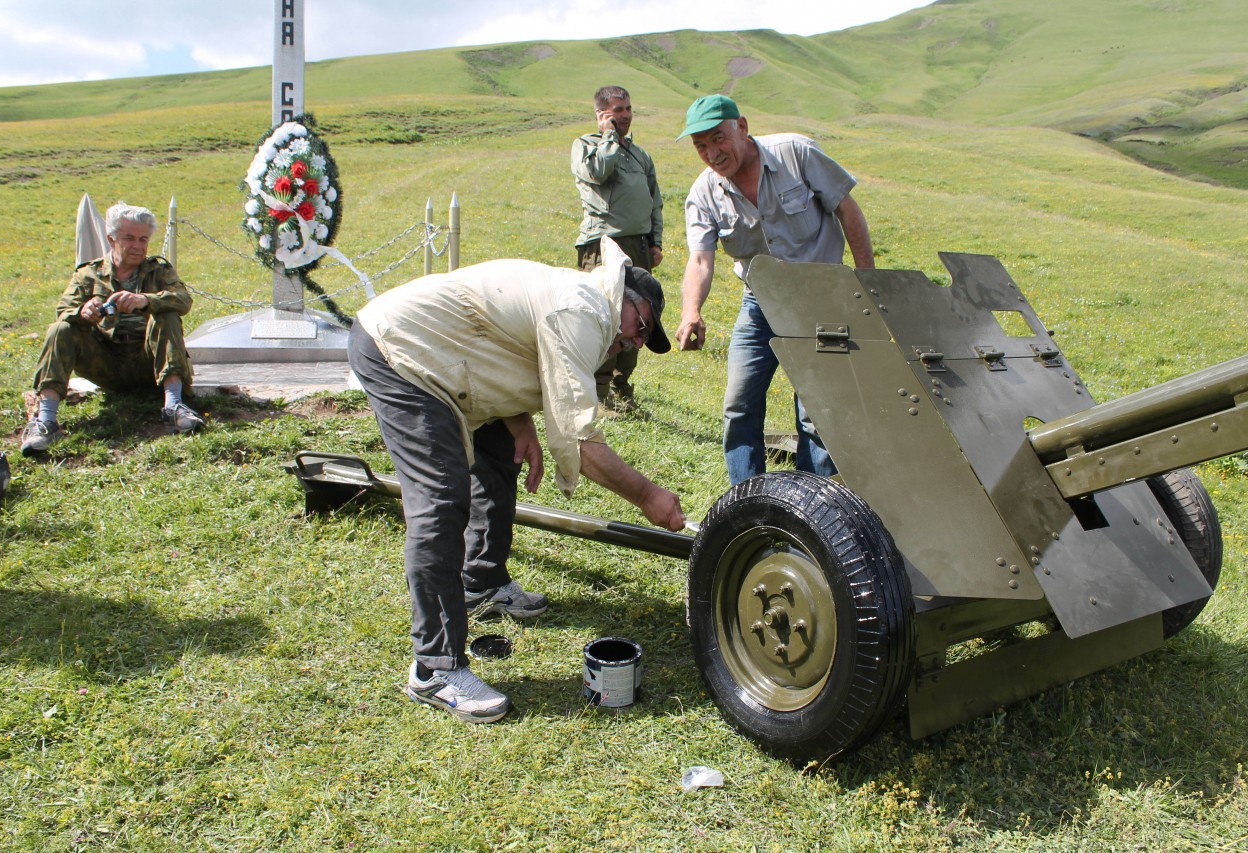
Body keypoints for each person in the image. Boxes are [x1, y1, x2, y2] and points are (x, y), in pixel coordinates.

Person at [348, 237, 685, 724]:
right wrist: (648, 495)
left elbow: (507, 344)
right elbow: (580, 440)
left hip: (449, 356)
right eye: (641, 326)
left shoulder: (589, 311)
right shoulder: (585, 309)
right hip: (403, 351)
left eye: (642, 340)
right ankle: (435, 669)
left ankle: (480, 582)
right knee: (440, 499)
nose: (634, 341)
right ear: (624, 298)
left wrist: (519, 421)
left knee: (499, 455)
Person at [673, 95, 875, 486]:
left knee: (815, 410)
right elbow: (700, 260)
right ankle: (746, 497)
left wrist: (867, 280)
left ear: (742, 127)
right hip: (760, 304)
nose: (712, 153)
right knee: (739, 402)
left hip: (821, 299)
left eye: (719, 138)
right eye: (701, 146)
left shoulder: (796, 154)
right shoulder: (703, 194)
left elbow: (847, 209)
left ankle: (816, 500)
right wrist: (690, 311)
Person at [21, 202, 204, 456]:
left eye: (143, 239)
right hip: (106, 362)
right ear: (111, 238)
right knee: (60, 329)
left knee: (167, 316)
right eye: (129, 238)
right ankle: (46, 421)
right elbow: (63, 311)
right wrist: (83, 312)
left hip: (149, 363)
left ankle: (174, 406)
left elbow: (184, 300)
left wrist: (147, 301)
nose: (138, 246)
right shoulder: (89, 275)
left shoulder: (158, 272)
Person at [571, 85, 664, 406]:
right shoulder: (586, 146)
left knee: (638, 317)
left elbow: (654, 202)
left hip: (637, 245)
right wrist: (608, 136)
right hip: (604, 243)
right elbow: (598, 172)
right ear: (601, 114)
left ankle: (621, 389)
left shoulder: (640, 155)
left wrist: (655, 241)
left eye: (627, 109)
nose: (625, 115)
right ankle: (595, 393)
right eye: (617, 110)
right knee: (605, 316)